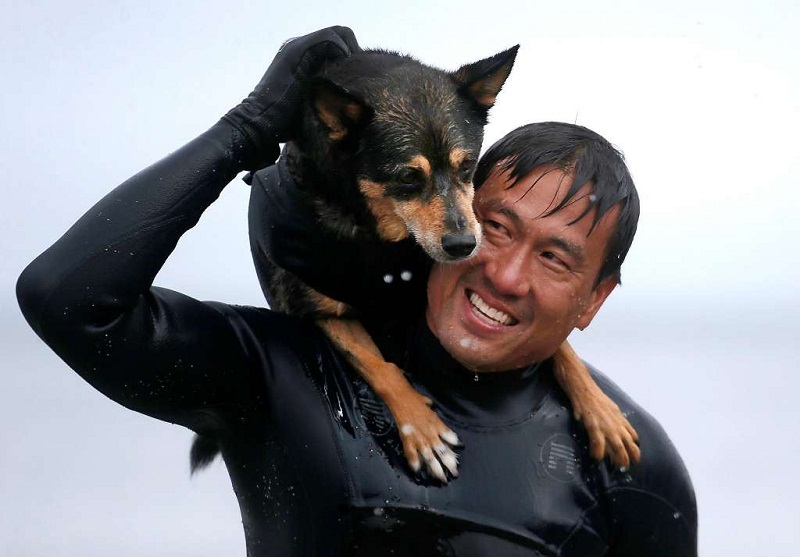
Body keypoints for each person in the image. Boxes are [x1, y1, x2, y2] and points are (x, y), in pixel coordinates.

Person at [16, 26, 697, 556]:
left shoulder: (637, 469)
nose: (502, 270)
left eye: (554, 258)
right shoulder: (282, 372)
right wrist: (244, 132)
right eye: (494, 224)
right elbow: (66, 300)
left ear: (595, 300)